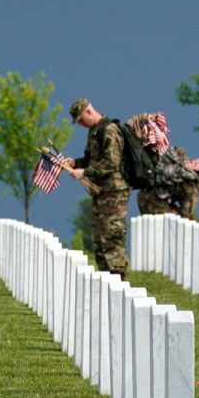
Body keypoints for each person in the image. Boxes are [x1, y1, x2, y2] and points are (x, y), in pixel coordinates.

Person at [66, 98, 132, 278]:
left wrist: (84, 172)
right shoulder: (94, 131)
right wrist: (76, 163)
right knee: (99, 238)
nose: (80, 125)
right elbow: (92, 159)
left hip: (113, 193)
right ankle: (106, 280)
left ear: (88, 111)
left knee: (112, 236)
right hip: (100, 192)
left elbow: (112, 162)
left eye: (80, 120)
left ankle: (118, 280)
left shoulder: (109, 129)